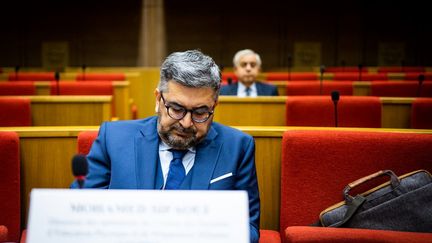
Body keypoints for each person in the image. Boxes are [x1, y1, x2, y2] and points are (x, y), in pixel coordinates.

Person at [71, 50, 260, 242]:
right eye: (176, 109)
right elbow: (78, 213)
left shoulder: (238, 147)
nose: (186, 123)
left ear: (214, 105)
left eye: (200, 112)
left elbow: (248, 228)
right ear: (157, 99)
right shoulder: (113, 138)